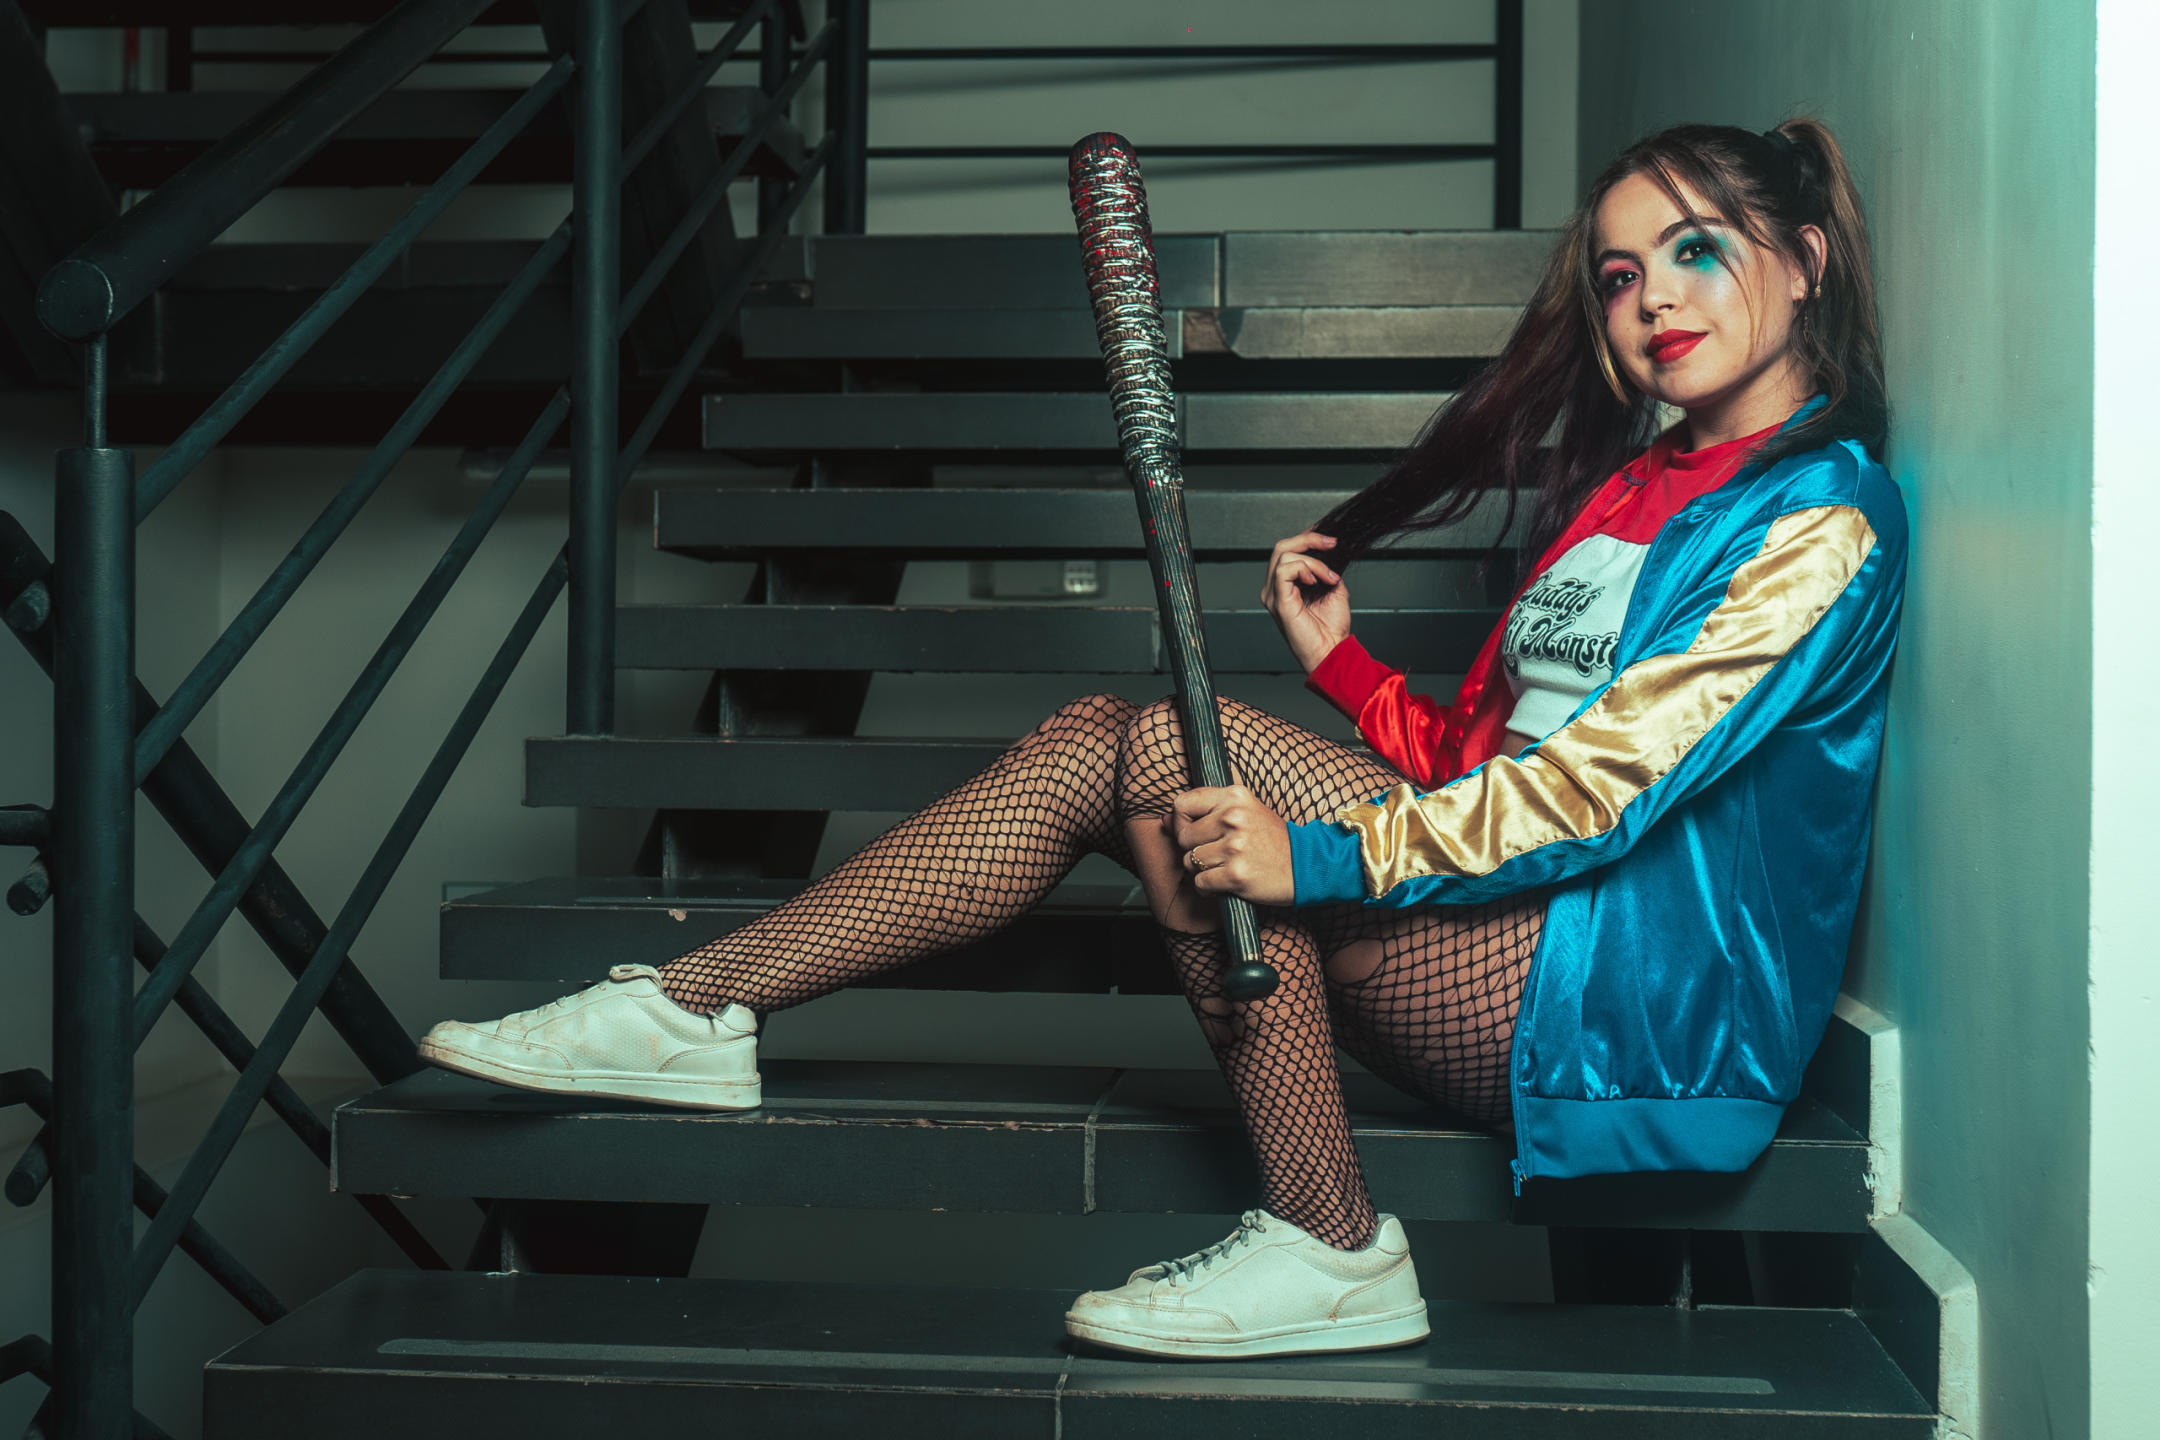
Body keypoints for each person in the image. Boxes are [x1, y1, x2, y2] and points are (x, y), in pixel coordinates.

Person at [417, 116, 1905, 1362]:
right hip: (1516, 932)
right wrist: (1346, 672)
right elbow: (1490, 762)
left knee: (1157, 757)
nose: (1653, 302)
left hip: (1635, 1004)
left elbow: (1594, 792)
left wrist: (1317, 857)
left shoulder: (1819, 522)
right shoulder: (1640, 481)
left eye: (1696, 252)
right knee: (1111, 738)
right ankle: (702, 1010)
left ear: (1807, 258)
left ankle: (1315, 1236)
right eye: (1624, 274)